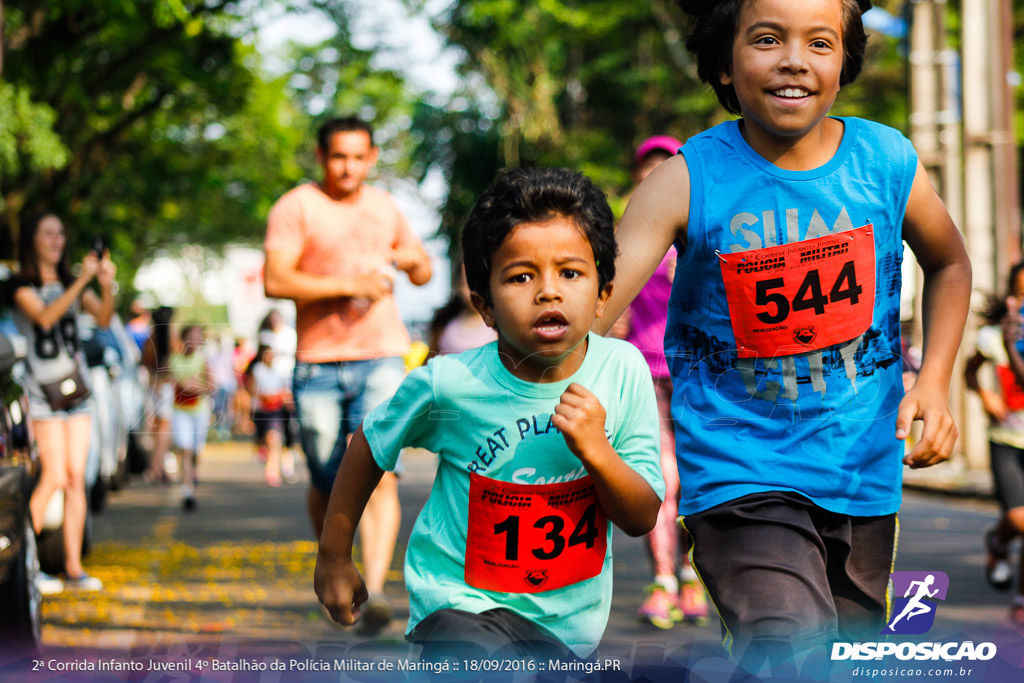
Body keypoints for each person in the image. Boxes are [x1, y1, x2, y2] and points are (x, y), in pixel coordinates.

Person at [598, 0, 972, 669]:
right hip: (741, 473)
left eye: (820, 42)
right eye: (767, 39)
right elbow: (594, 305)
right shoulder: (688, 178)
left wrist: (936, 381)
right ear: (722, 61)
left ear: (845, 61)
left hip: (860, 471)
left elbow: (948, 261)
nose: (795, 59)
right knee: (791, 641)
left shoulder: (885, 160)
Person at [314, 167, 664, 661]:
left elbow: (641, 516)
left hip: (567, 629)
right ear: (485, 307)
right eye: (521, 276)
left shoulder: (622, 370)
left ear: (604, 292)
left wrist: (597, 452)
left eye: (571, 272)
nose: (548, 291)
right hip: (460, 609)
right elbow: (369, 444)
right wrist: (333, 555)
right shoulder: (450, 384)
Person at [264, 115, 432, 632]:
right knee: (325, 477)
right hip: (317, 360)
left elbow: (424, 269)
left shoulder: (385, 207)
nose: (349, 167)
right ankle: (337, 563)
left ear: (373, 157)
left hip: (382, 352)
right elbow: (275, 279)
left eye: (359, 157)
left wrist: (409, 260)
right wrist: (347, 284)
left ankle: (376, 592)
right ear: (320, 157)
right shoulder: (296, 207)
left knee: (379, 469)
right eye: (339, 157)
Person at [620, 135, 708, 629]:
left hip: (700, 374)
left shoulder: (708, 230)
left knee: (697, 479)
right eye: (645, 171)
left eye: (664, 169)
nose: (654, 179)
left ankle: (694, 573)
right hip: (645, 374)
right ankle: (663, 580)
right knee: (663, 478)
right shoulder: (625, 235)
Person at [13, 212, 115, 593]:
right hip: (42, 394)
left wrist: (105, 285)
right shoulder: (20, 284)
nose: (57, 239)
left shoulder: (75, 281)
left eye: (61, 232)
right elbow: (44, 318)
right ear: (32, 239)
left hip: (78, 391)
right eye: (48, 233)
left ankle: (73, 567)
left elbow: (103, 320)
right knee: (53, 475)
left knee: (76, 479)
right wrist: (84, 280)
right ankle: (26, 562)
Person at [966, 261, 1024, 627]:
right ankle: (998, 542)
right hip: (1006, 440)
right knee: (1020, 518)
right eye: (1021, 292)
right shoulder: (992, 337)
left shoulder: (1008, 342)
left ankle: (1021, 597)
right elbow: (970, 370)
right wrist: (985, 394)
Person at [169, 324, 212, 511]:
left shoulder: (202, 360)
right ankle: (188, 488)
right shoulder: (173, 360)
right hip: (180, 411)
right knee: (184, 449)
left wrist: (196, 388)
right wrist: (181, 384)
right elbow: (167, 382)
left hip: (198, 411)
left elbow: (211, 385)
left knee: (195, 450)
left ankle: (193, 475)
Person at [244, 344, 297, 487]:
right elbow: (251, 389)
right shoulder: (257, 370)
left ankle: (272, 470)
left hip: (275, 410)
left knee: (274, 438)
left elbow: (284, 389)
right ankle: (263, 452)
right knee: (263, 439)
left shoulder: (278, 371)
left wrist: (284, 399)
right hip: (260, 411)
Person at [426, 263, 496, 356]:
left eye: (478, 284)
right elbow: (429, 360)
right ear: (458, 286)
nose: (473, 292)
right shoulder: (444, 323)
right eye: (466, 284)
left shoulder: (499, 324)